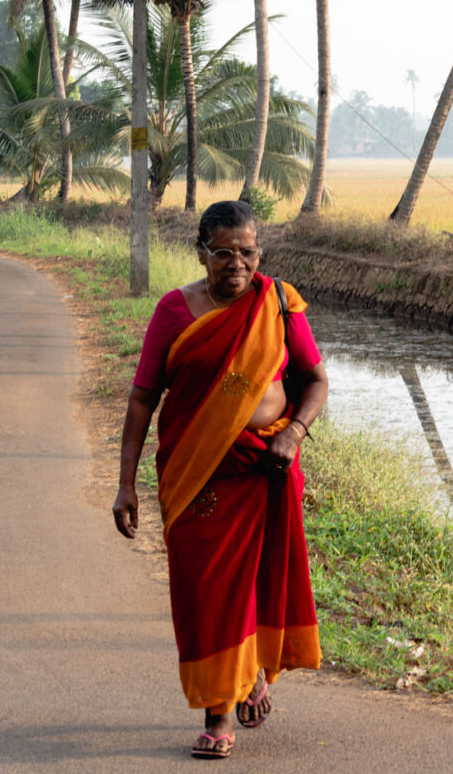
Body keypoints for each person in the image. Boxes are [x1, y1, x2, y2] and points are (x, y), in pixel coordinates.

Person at [113, 200, 328, 760]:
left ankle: (238, 689)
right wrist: (125, 483)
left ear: (261, 252)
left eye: (248, 252)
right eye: (224, 253)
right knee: (206, 587)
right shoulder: (175, 312)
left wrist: (294, 433)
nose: (237, 264)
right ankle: (221, 699)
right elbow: (141, 399)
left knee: (256, 580)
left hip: (268, 469)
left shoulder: (278, 303)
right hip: (197, 474)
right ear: (201, 253)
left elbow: (315, 380)